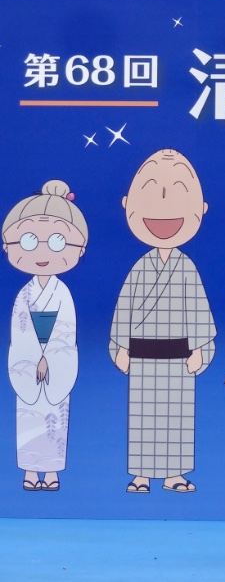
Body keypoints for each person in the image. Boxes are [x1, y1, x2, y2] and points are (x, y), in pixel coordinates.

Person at [109, 149, 216, 494]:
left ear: (201, 209)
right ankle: (141, 474)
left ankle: (173, 474)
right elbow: (124, 309)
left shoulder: (186, 268)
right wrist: (120, 347)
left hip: (178, 360)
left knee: (176, 417)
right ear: (127, 205)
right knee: (143, 417)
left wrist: (200, 348)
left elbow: (198, 311)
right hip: (142, 358)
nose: (165, 206)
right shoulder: (140, 268)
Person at [3, 180, 87, 492]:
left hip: (55, 363)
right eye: (28, 240)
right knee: (29, 416)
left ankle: (51, 472)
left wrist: (49, 358)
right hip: (28, 361)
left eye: (56, 241)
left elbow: (67, 331)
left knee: (55, 418)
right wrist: (33, 357)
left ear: (78, 248)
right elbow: (19, 332)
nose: (41, 251)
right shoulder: (23, 295)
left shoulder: (62, 293)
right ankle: (30, 470)